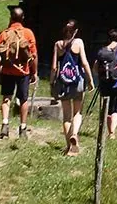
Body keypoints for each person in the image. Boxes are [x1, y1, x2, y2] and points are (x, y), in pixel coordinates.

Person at [0, 6, 39, 139]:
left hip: (7, 70)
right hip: (23, 71)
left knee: (6, 97)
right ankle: (23, 128)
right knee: (23, 99)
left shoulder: (4, 34)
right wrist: (34, 72)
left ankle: (5, 124)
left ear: (11, 18)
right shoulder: (28, 33)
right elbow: (34, 55)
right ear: (23, 18)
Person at [51, 19, 90, 157]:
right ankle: (75, 134)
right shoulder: (78, 42)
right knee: (77, 112)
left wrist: (52, 83)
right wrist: (90, 80)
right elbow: (84, 63)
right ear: (76, 31)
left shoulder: (58, 44)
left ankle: (69, 147)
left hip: (63, 82)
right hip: (77, 81)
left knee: (66, 116)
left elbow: (55, 67)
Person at [95, 30, 117, 140]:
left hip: (105, 83)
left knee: (106, 107)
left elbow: (95, 68)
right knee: (115, 109)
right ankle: (112, 133)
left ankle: (105, 130)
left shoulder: (102, 52)